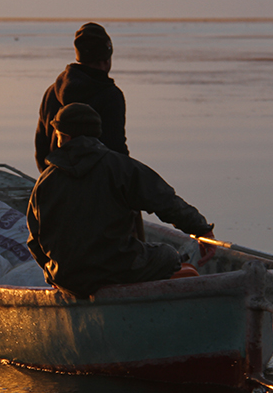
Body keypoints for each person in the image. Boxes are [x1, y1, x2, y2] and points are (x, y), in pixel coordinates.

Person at [27, 103, 216, 298]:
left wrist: (55, 274)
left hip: (67, 277)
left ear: (64, 136)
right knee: (168, 255)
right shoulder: (122, 168)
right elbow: (167, 202)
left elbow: (35, 240)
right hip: (117, 269)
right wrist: (202, 229)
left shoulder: (45, 181)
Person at [34, 22, 128, 173]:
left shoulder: (52, 91)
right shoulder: (111, 95)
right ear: (105, 60)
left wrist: (51, 181)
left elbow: (41, 148)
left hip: (56, 179)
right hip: (97, 184)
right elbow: (115, 148)